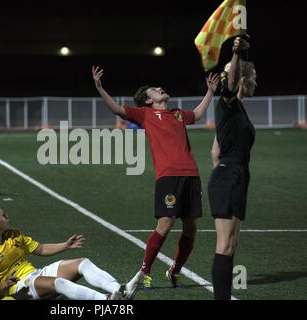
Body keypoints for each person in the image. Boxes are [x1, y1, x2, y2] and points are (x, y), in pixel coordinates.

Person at [92, 66, 219, 293]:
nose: (160, 89)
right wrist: (100, 88)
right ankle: (146, 271)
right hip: (168, 176)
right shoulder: (146, 115)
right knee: (166, 222)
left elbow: (197, 115)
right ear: (148, 100)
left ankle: (175, 270)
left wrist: (210, 91)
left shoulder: (178, 114)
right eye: (154, 90)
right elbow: (117, 109)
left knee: (191, 227)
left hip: (191, 175)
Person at [0, 202, 128, 300]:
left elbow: (41, 248)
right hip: (19, 289)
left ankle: (119, 290)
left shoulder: (13, 235)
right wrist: (3, 285)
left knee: (82, 263)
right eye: (4, 216)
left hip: (35, 275)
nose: (7, 217)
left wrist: (65, 245)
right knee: (58, 283)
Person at [208, 36, 257, 300]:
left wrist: (224, 170)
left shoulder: (236, 110)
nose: (256, 83)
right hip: (230, 175)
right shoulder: (226, 102)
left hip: (235, 175)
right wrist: (236, 53)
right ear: (241, 79)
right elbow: (229, 83)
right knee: (224, 245)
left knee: (231, 245)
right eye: (254, 78)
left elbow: (214, 151)